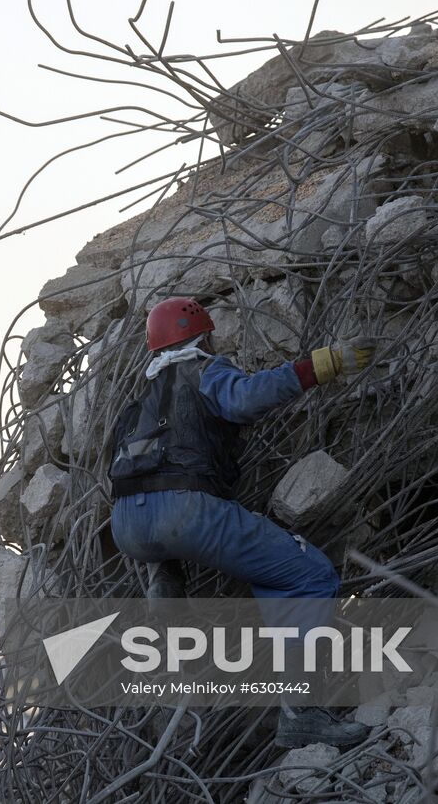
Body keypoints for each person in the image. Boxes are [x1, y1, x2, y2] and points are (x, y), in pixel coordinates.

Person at [108, 296, 373, 749]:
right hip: (185, 511)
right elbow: (243, 399)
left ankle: (168, 626)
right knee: (307, 577)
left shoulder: (138, 405)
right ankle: (301, 713)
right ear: (203, 337)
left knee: (174, 549)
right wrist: (320, 366)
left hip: (127, 525)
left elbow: (126, 477)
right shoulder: (203, 368)